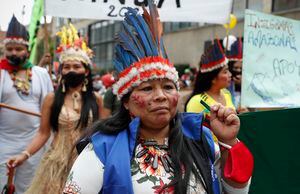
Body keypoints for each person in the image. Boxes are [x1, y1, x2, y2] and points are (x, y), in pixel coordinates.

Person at [63, 3, 253, 194]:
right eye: (147, 88)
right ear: (126, 101)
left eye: (168, 87)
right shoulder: (102, 149)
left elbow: (237, 192)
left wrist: (229, 143)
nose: (161, 96)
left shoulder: (201, 139)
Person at [7, 23, 103, 194]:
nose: (71, 70)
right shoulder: (51, 99)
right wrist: (24, 155)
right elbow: (43, 133)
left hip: (86, 162)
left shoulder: (97, 99)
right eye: (67, 67)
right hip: (55, 165)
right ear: (61, 71)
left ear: (86, 71)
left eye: (76, 66)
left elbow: (104, 134)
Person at [0, 15, 53, 193]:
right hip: (4, 143)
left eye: (18, 48)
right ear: (4, 50)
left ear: (27, 50)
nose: (14, 53)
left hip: (34, 143)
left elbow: (49, 106)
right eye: (10, 49)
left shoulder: (40, 73)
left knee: (30, 188)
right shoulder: (0, 73)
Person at [185, 40, 235, 125]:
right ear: (213, 79)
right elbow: (193, 133)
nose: (230, 75)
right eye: (225, 72)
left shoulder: (227, 93)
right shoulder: (196, 102)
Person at [226, 38, 249, 113]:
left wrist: (243, 85)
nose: (238, 70)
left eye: (241, 68)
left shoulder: (248, 83)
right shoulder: (225, 84)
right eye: (235, 68)